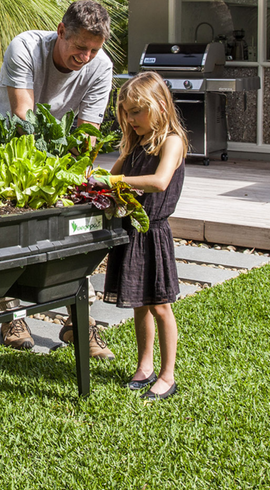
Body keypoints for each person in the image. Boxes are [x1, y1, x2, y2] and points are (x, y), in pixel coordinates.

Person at [0, 0, 115, 357]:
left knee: (74, 233)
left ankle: (80, 323)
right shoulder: (25, 47)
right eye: (79, 48)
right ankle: (13, 315)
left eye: (93, 49)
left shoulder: (100, 67)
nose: (86, 57)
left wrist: (78, 181)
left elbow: (87, 132)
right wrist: (45, 175)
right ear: (61, 31)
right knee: (13, 233)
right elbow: (23, 117)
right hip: (2, 146)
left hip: (49, 152)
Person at [97, 71, 187, 400]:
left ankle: (168, 375)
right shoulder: (135, 145)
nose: (131, 119)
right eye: (126, 112)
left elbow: (161, 181)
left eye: (137, 111)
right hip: (132, 229)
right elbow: (109, 175)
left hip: (154, 233)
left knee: (160, 305)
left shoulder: (172, 141)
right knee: (139, 304)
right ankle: (145, 365)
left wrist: (114, 184)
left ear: (160, 106)